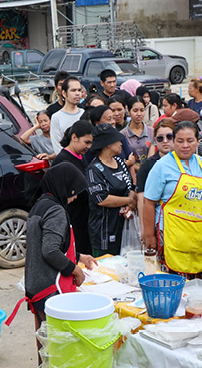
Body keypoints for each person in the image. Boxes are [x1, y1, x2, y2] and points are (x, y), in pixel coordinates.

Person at [20, 163, 98, 331]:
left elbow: (45, 243)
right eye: (74, 191)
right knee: (56, 342)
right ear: (64, 186)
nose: (75, 197)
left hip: (36, 287)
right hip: (50, 289)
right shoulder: (56, 211)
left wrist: (78, 257)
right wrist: (76, 270)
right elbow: (50, 251)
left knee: (45, 340)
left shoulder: (40, 205)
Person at [141, 120, 202, 279]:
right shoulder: (162, 166)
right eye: (180, 141)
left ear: (197, 142)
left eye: (190, 140)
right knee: (172, 283)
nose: (185, 145)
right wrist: (149, 235)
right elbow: (148, 202)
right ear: (173, 141)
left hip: (199, 235)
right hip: (171, 235)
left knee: (197, 284)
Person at [87, 125, 137, 256]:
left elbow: (131, 185)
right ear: (108, 144)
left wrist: (130, 205)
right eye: (118, 140)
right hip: (104, 231)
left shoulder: (120, 162)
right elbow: (101, 199)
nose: (121, 143)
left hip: (125, 228)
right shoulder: (94, 169)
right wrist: (128, 201)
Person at [53, 120, 96, 253]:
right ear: (74, 137)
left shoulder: (81, 157)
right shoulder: (62, 161)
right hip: (73, 218)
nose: (89, 146)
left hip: (84, 217)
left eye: (91, 143)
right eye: (86, 142)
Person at [50, 77, 86, 146]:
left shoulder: (84, 113)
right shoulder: (56, 117)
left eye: (79, 90)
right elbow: (57, 145)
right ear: (64, 93)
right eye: (73, 90)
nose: (77, 93)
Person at [122, 98, 153, 162]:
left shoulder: (152, 132)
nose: (139, 114)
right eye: (135, 111)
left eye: (142, 110)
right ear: (129, 111)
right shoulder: (123, 135)